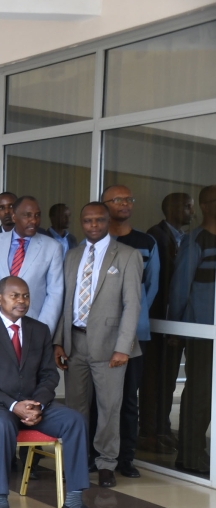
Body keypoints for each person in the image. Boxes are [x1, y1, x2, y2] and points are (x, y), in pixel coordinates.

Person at [0, 276, 108, 508]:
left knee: (74, 420)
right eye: (15, 296)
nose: (22, 301)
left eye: (26, 296)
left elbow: (49, 375)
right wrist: (13, 405)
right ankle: (1, 503)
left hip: (34, 404)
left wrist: (37, 404)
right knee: (2, 424)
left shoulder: (39, 330)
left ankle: (74, 503)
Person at [53, 202, 143, 488]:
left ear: (108, 222)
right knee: (75, 407)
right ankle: (78, 460)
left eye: (99, 220)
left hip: (110, 345)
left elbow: (132, 305)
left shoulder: (127, 255)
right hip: (75, 342)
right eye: (88, 221)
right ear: (81, 223)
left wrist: (123, 347)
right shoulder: (72, 255)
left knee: (109, 407)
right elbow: (65, 302)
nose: (93, 225)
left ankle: (106, 463)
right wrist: (59, 341)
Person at [103, 185, 158, 478]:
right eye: (117, 199)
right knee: (99, 399)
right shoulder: (97, 242)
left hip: (134, 333)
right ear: (104, 205)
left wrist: (132, 317)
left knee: (128, 399)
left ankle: (126, 458)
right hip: (99, 333)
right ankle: (96, 455)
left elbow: (151, 286)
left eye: (128, 199)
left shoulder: (146, 242)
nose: (125, 203)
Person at [140, 192, 194, 454]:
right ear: (173, 208)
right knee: (153, 380)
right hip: (159, 321)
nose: (192, 213)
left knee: (168, 380)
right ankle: (149, 432)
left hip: (174, 322)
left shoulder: (182, 237)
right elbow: (160, 283)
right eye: (188, 207)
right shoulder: (157, 236)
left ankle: (162, 428)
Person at [168, 185, 216, 474]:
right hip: (202, 331)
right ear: (205, 206)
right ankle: (189, 455)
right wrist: (175, 326)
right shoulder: (195, 240)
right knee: (199, 393)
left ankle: (199, 450)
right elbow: (180, 287)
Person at [0, 196, 65, 335]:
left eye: (37, 215)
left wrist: (43, 332)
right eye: (27, 215)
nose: (34, 220)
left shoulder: (52, 247)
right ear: (14, 217)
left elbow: (55, 294)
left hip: (32, 327)